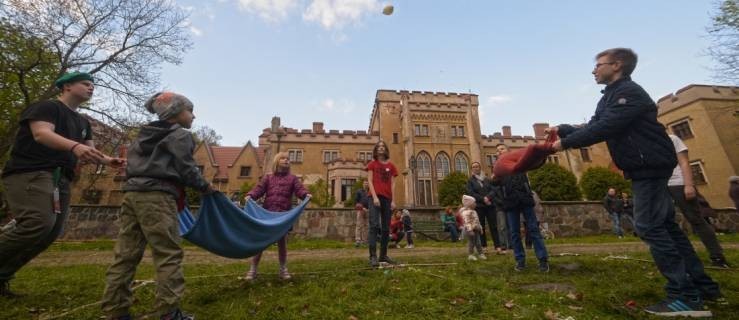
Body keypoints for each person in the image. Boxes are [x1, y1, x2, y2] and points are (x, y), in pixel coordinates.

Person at [551, 48, 721, 317]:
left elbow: (605, 128)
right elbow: (596, 125)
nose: (594, 70)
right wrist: (563, 129)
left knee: (649, 227)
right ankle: (704, 287)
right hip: (646, 167)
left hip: (649, 166)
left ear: (616, 65)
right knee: (668, 228)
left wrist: (563, 144)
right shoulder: (610, 97)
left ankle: (686, 296)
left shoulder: (628, 93)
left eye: (599, 65)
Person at [0, 72, 124, 298]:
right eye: (86, 84)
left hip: (62, 179)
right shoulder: (46, 107)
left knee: (49, 233)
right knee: (37, 223)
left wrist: (108, 161)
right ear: (67, 86)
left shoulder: (83, 122)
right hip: (32, 172)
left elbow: (89, 152)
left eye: (93, 85)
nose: (91, 88)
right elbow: (41, 134)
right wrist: (75, 147)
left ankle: (2, 275)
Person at [101, 91, 212, 320]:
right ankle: (169, 312)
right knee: (167, 253)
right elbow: (187, 168)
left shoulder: (143, 134)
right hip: (158, 197)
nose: (194, 115)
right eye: (190, 110)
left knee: (126, 254)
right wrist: (205, 187)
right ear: (176, 112)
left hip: (131, 195)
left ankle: (116, 310)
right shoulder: (180, 135)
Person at [244, 152, 310, 280]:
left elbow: (299, 189)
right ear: (276, 162)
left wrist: (305, 195)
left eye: (288, 159)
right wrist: (250, 195)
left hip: (283, 216)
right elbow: (259, 189)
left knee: (282, 243)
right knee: (261, 243)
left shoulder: (292, 179)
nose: (286, 160)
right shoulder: (268, 178)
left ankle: (283, 269)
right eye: (283, 158)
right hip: (267, 215)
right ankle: (253, 269)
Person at [667, 134, 730, 269]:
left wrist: (689, 184)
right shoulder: (648, 141)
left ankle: (717, 256)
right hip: (661, 185)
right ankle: (681, 258)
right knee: (665, 222)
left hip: (679, 183)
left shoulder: (672, 139)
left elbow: (684, 161)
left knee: (696, 219)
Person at [489, 144, 549, 273]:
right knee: (515, 233)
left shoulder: (519, 161)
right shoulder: (499, 168)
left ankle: (543, 260)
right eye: (497, 151)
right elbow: (494, 183)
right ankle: (520, 260)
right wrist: (493, 178)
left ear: (509, 150)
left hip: (525, 199)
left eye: (502, 149)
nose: (499, 151)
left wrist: (543, 156)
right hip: (510, 202)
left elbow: (535, 163)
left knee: (533, 230)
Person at [365, 140, 399, 267]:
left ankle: (383, 255)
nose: (380, 148)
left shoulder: (391, 166)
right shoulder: (372, 164)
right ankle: (373, 256)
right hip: (374, 197)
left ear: (385, 150)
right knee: (374, 225)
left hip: (387, 199)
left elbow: (393, 184)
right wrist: (374, 197)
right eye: (378, 147)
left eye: (382, 146)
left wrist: (393, 200)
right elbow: (370, 181)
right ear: (376, 150)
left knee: (385, 228)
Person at [466, 162, 501, 253]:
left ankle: (497, 246)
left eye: (477, 166)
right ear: (471, 169)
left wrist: (488, 197)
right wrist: (483, 199)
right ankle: (484, 246)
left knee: (493, 226)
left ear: (480, 168)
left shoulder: (487, 179)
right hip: (479, 206)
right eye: (473, 167)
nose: (475, 168)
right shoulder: (470, 181)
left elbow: (494, 190)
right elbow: (471, 193)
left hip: (490, 205)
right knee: (481, 227)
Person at [485, 183, 509, 253]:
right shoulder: (495, 187)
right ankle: (503, 245)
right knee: (502, 227)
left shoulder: (505, 185)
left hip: (508, 208)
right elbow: (493, 197)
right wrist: (502, 203)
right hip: (500, 209)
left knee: (507, 227)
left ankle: (510, 244)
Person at [460, 195, 485, 261]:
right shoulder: (465, 213)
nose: (475, 204)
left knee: (478, 242)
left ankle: (481, 253)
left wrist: (480, 228)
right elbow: (466, 222)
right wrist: (470, 230)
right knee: (471, 243)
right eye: (474, 203)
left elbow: (477, 221)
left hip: (476, 230)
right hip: (470, 231)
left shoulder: (474, 212)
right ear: (469, 204)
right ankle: (470, 255)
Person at [354, 180, 371, 247]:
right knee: (359, 225)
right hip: (361, 210)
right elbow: (356, 201)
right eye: (365, 183)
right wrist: (362, 208)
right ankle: (358, 240)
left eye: (367, 183)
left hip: (368, 210)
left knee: (366, 226)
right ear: (363, 184)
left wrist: (369, 209)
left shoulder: (370, 191)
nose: (366, 184)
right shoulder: (359, 191)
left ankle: (365, 240)